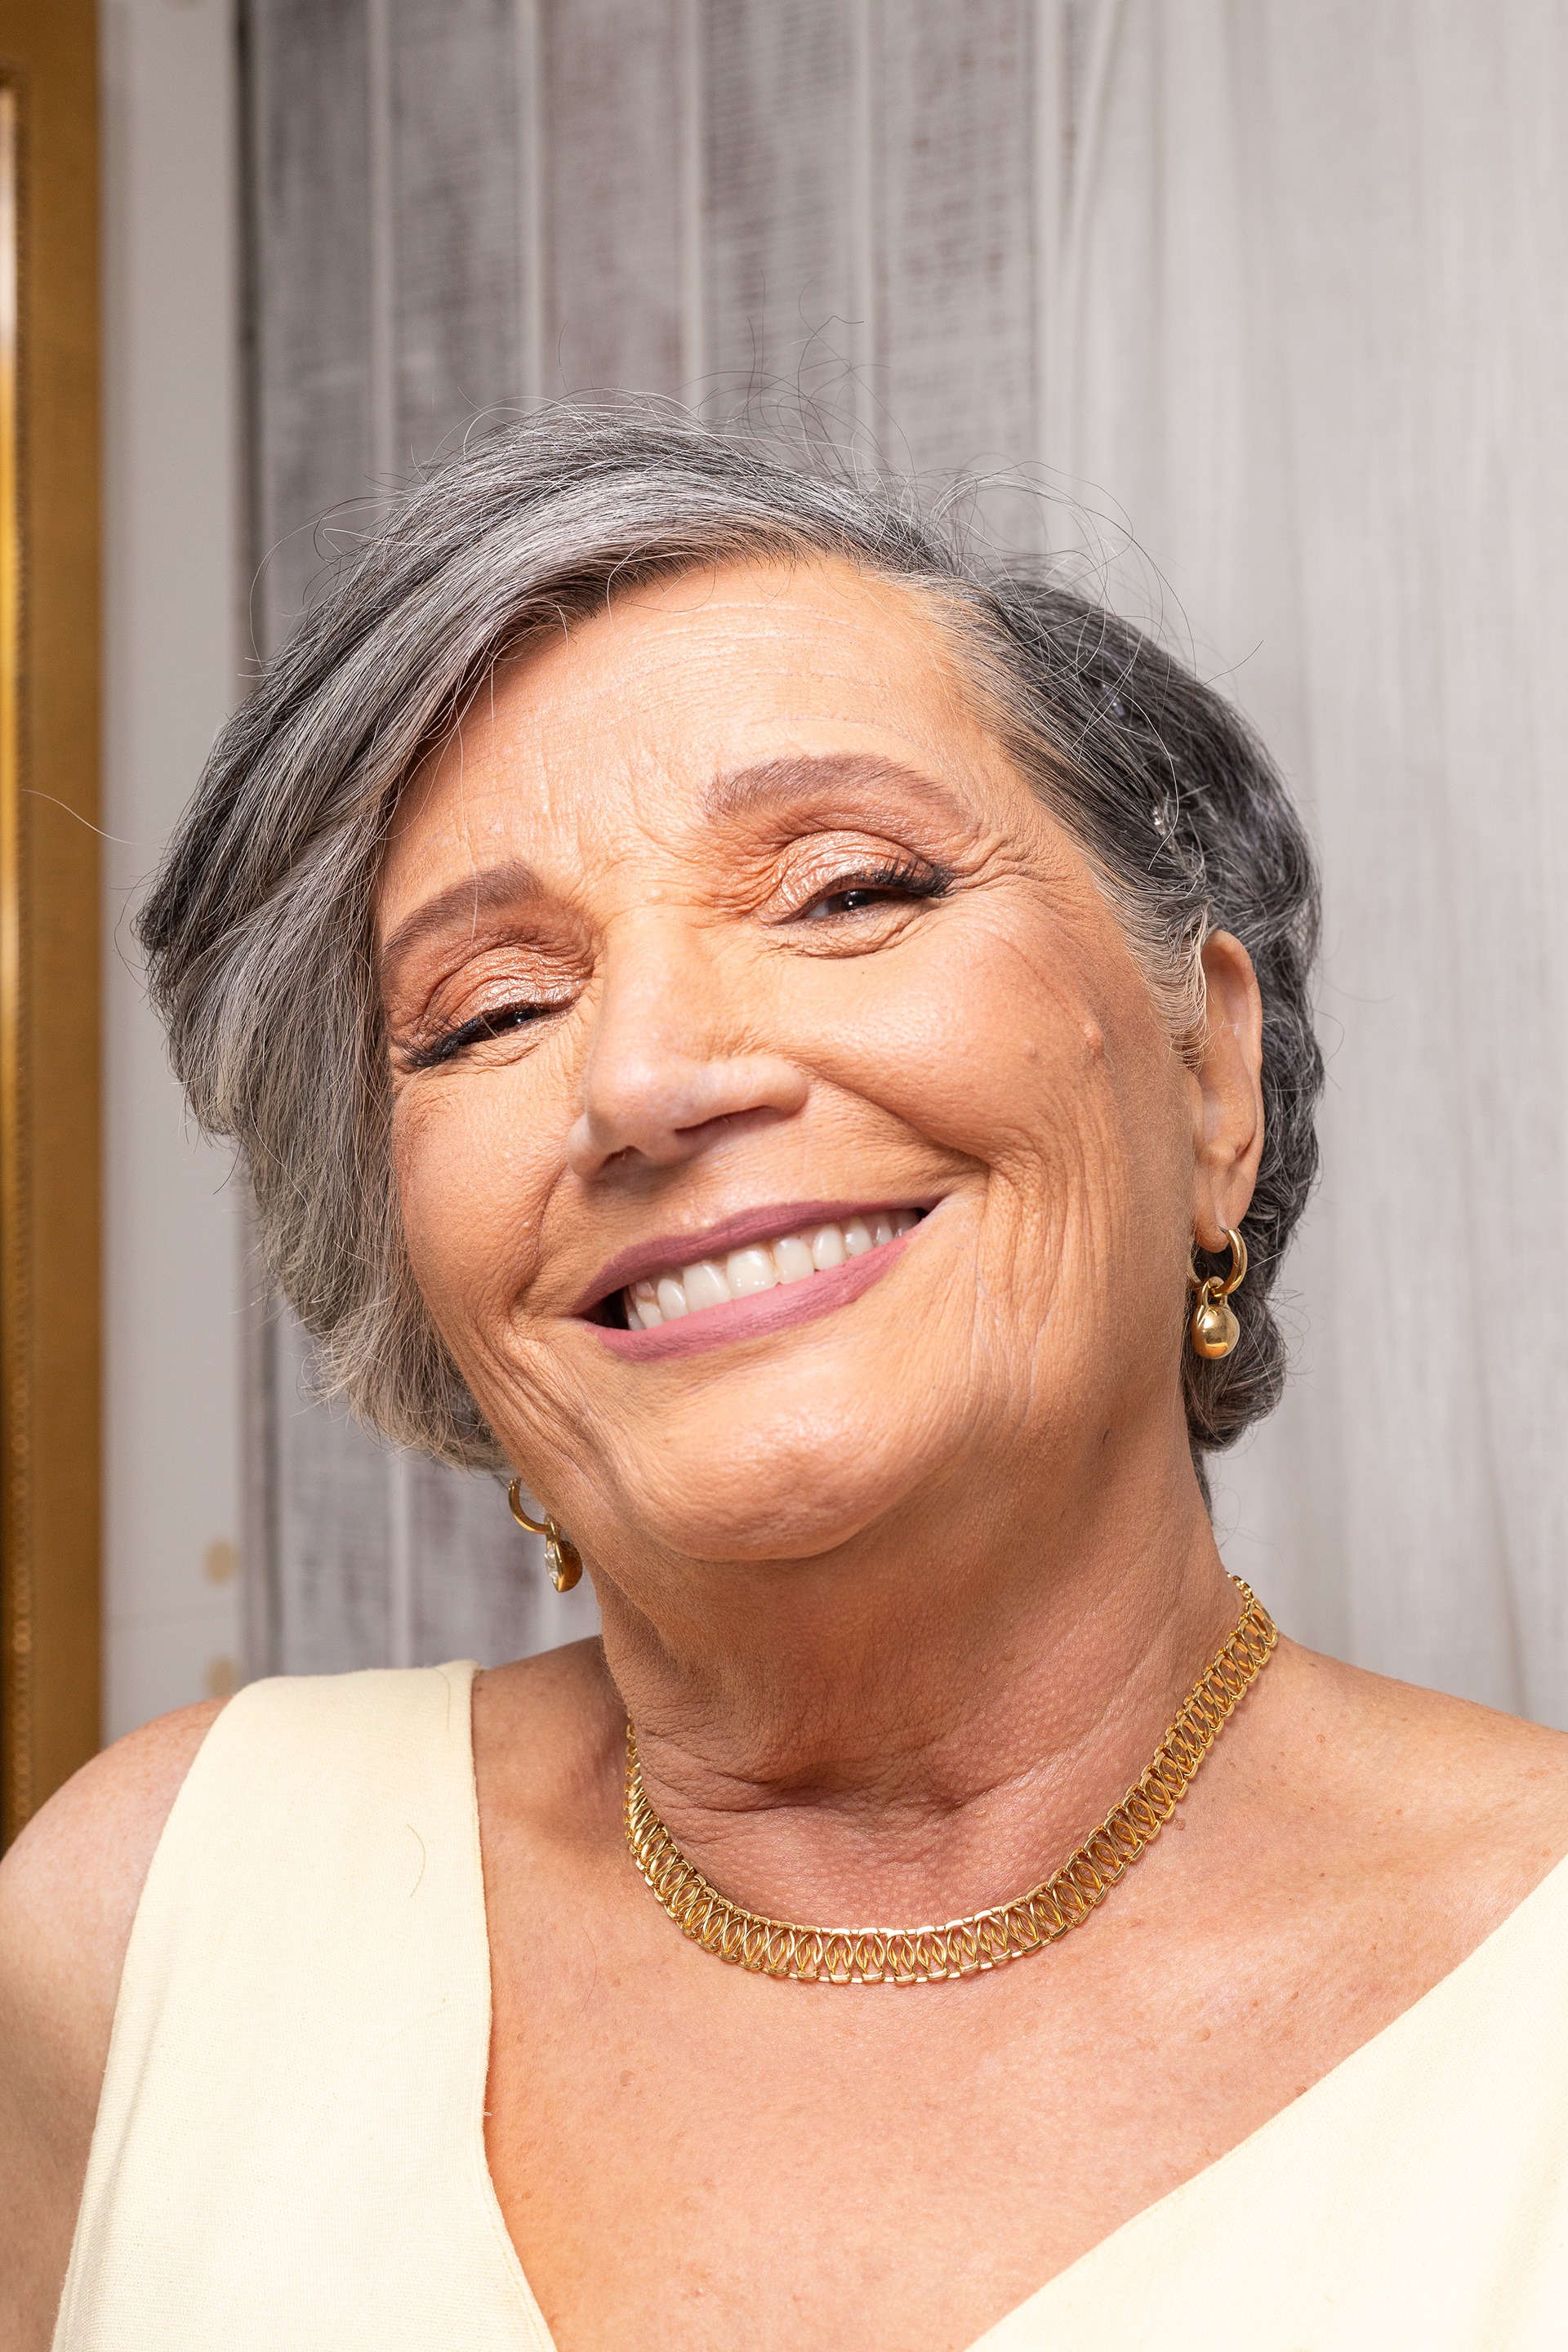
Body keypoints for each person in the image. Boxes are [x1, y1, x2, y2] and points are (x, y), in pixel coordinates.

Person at [4, 412, 1566, 2352]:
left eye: (848, 890)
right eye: (493, 1011)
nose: (649, 1076)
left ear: (1208, 1077)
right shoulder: (150, 1925)